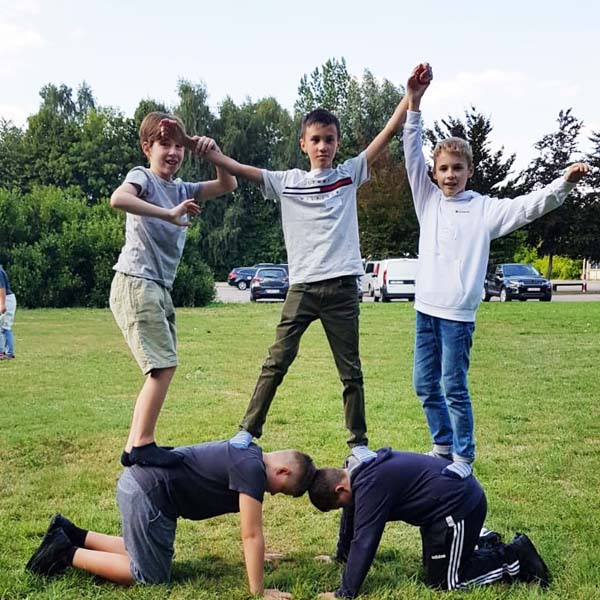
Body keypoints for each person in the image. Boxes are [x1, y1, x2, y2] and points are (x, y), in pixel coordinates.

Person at [161, 65, 426, 462]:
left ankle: (359, 445)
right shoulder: (287, 181)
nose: (323, 147)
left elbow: (385, 135)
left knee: (350, 371)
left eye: (330, 140)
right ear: (303, 144)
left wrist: (412, 98)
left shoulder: (349, 175)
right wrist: (202, 148)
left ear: (336, 144)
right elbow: (235, 169)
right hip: (301, 288)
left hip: (341, 290)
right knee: (275, 362)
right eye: (316, 140)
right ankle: (247, 432)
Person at [404, 64, 590, 479]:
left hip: (458, 318)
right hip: (425, 311)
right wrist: (414, 104)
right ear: (434, 173)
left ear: (470, 171)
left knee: (454, 388)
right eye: (443, 169)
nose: (449, 175)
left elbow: (529, 205)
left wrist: (563, 183)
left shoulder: (485, 210)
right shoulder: (427, 201)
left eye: (457, 168)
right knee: (423, 385)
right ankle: (441, 445)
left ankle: (463, 459)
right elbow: (411, 152)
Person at [26, 440, 316, 599]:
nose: (273, 494)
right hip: (148, 496)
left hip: (141, 487)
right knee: (150, 577)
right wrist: (259, 591)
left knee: (142, 552)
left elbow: (252, 535)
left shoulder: (248, 453)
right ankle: (64, 552)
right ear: (282, 472)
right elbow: (251, 535)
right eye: (281, 491)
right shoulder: (252, 470)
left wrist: (261, 555)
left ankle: (73, 534)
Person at [110, 112, 237, 468]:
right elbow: (118, 199)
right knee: (163, 367)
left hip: (158, 287)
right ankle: (142, 444)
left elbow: (228, 185)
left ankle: (133, 445)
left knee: (161, 368)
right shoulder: (143, 177)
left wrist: (210, 152)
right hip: (137, 282)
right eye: (165, 144)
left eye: (179, 146)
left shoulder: (183, 189)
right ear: (147, 147)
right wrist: (166, 214)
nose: (173, 152)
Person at [309, 449, 551, 598]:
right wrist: (340, 556)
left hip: (459, 510)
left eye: (339, 504)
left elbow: (365, 541)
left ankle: (515, 557)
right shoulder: (358, 472)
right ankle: (481, 539)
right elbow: (351, 518)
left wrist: (345, 594)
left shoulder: (370, 487)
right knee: (434, 568)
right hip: (441, 513)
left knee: (447, 582)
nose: (346, 509)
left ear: (340, 488)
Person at [0, 263, 16, 360]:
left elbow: (2, 288)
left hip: (6, 299)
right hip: (4, 299)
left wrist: (2, 304)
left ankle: (6, 352)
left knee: (4, 327)